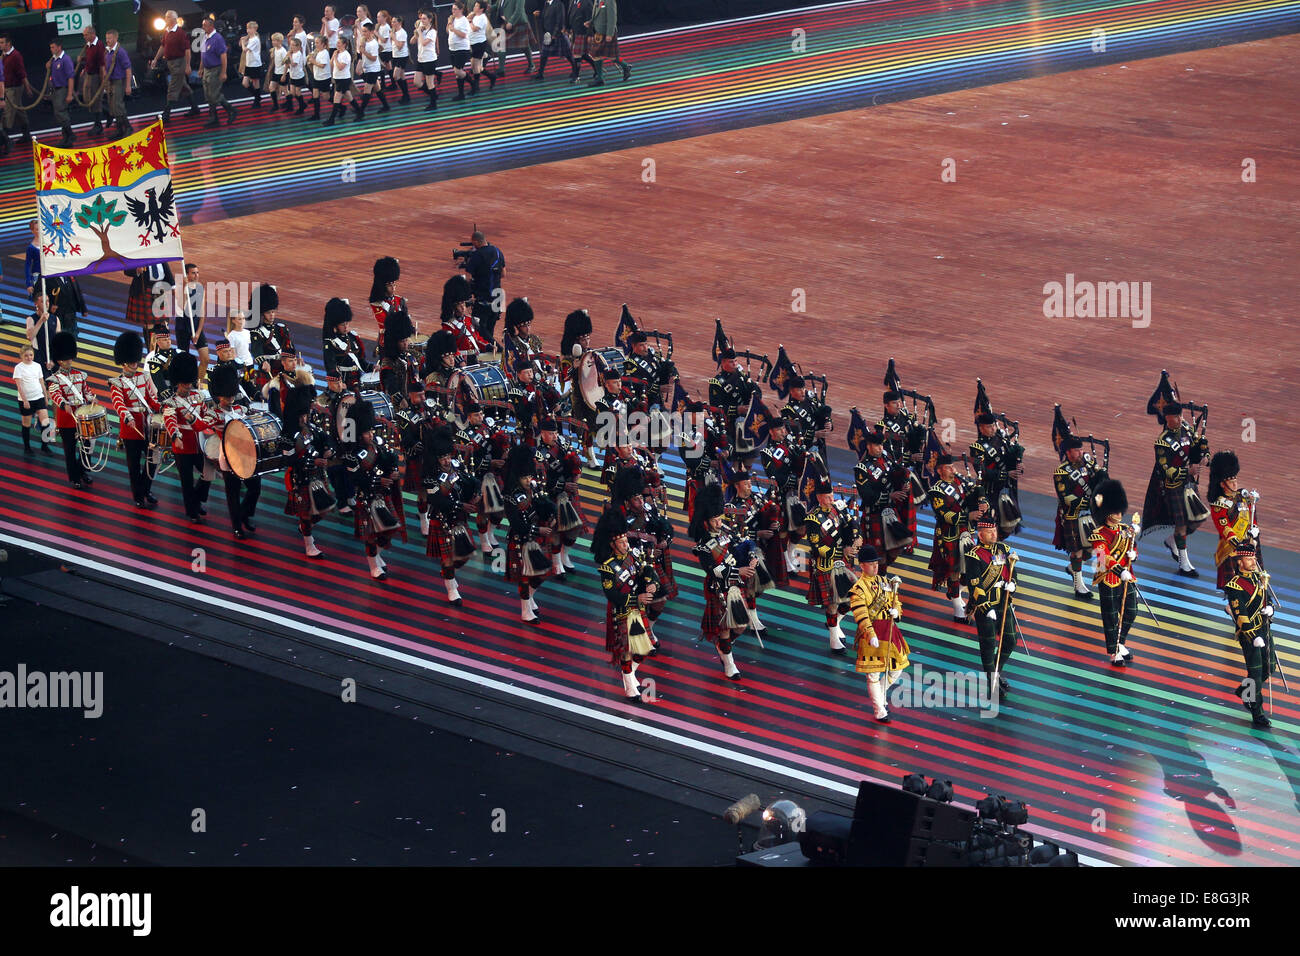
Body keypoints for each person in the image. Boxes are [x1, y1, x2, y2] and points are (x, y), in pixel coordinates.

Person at [594, 506, 657, 699]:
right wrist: (636, 598)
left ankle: (628, 673)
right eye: (621, 542)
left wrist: (651, 582)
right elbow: (611, 594)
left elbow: (647, 570)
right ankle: (629, 686)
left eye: (625, 541)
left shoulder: (633, 556)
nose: (625, 545)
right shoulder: (607, 567)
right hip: (621, 611)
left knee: (648, 647)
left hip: (637, 610)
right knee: (627, 650)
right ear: (612, 544)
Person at [689, 484, 750, 679]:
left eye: (719, 517)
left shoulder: (727, 533)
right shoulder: (704, 547)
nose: (718, 522)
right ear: (706, 522)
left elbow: (739, 550)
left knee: (741, 625)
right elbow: (714, 570)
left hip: (735, 586)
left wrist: (750, 557)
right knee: (724, 628)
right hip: (718, 589)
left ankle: (723, 647)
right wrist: (739, 571)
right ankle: (729, 664)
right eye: (715, 519)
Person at [1143, 401, 1210, 577]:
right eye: (1176, 416)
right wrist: (1188, 470)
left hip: (1189, 484)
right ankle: (1184, 563)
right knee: (1181, 525)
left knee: (1198, 518)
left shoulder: (1187, 430)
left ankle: (1172, 540)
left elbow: (1200, 447)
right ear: (1167, 418)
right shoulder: (1162, 442)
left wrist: (1204, 458)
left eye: (1181, 415)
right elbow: (1167, 471)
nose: (1180, 419)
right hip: (1174, 488)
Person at [343, 399, 406, 580]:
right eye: (366, 432)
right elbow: (357, 479)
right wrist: (380, 480)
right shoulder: (352, 455)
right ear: (358, 434)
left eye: (371, 430)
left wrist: (393, 471)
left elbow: (390, 458)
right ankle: (373, 566)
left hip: (381, 495)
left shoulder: (375, 445)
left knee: (391, 528)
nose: (370, 434)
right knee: (372, 536)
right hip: (367, 497)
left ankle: (376, 554)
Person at [848, 545, 908, 724]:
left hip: (889, 629)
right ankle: (879, 709)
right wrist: (869, 633)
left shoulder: (885, 582)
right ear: (862, 566)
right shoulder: (858, 589)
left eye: (876, 563)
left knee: (897, 668)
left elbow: (896, 602)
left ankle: (881, 695)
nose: (875, 567)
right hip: (872, 632)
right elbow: (861, 614)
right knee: (873, 674)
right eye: (871, 564)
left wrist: (896, 612)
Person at [961, 518, 1018, 700]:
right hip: (985, 607)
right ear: (980, 535)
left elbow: (1012, 571)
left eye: (994, 530)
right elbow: (974, 585)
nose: (994, 534)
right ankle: (991, 682)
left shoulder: (1004, 550)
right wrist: (986, 608)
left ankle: (996, 672)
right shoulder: (974, 555)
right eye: (990, 532)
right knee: (988, 645)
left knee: (1010, 641)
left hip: (1004, 602)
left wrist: (1013, 585)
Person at [804, 478, 861, 653]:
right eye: (828, 497)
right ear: (820, 498)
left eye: (832, 495)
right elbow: (817, 547)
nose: (832, 499)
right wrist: (841, 551)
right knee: (833, 604)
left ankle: (833, 624)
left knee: (853, 597)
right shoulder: (813, 519)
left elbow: (851, 525)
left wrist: (855, 541)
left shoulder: (838, 508)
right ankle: (833, 639)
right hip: (825, 564)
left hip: (843, 562)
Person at [1223, 543, 1276, 729]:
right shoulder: (1234, 586)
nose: (1253, 561)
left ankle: (1245, 691)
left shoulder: (1258, 577)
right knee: (1255, 672)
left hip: (1264, 629)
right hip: (1250, 635)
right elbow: (1240, 614)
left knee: (1269, 668)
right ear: (1239, 562)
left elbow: (1266, 598)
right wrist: (1253, 636)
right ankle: (1257, 711)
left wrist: (1270, 609)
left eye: (1253, 558)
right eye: (1248, 558)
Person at [502, 442, 557, 621]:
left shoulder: (533, 487)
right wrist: (538, 529)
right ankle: (525, 610)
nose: (528, 480)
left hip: (536, 539)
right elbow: (516, 523)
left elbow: (543, 504)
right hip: (521, 539)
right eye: (524, 477)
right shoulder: (511, 496)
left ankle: (530, 598)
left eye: (529, 476)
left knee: (542, 573)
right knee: (525, 578)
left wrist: (553, 514)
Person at [424, 425, 477, 604]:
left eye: (448, 456)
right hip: (442, 520)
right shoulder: (431, 477)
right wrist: (461, 505)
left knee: (465, 555)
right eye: (442, 458)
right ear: (436, 458)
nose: (447, 461)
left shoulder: (456, 466)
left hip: (459, 519)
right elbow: (437, 501)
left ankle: (448, 575)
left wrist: (476, 492)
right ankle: (451, 589)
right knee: (448, 560)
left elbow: (470, 481)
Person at [1089, 478, 1139, 668]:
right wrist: (1120, 571)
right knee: (1110, 617)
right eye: (1115, 510)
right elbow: (1104, 559)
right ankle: (1113, 651)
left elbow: (1133, 548)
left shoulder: (1126, 530)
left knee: (1131, 612)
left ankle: (1121, 641)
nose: (1119, 513)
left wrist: (1134, 555)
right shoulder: (1098, 534)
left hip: (1127, 575)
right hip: (1109, 578)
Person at [109, 332, 161, 508]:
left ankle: (145, 489)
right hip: (130, 429)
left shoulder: (144, 377)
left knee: (152, 460)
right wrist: (127, 417)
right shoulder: (117, 382)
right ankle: (138, 495)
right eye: (131, 361)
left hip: (147, 425)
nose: (134, 363)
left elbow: (152, 399)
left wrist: (160, 407)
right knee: (133, 466)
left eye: (135, 360)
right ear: (124, 362)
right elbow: (118, 403)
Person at [162, 352, 216, 522]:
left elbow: (207, 415)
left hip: (199, 443)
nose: (187, 386)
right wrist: (175, 436)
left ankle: (197, 500)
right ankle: (192, 511)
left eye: (188, 383)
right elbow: (169, 420)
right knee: (186, 481)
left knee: (208, 473)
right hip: (182, 445)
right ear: (178, 383)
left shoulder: (198, 396)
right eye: (184, 384)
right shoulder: (171, 401)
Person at [282, 384, 334, 558]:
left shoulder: (311, 427)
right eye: (303, 414)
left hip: (317, 476)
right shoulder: (288, 435)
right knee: (306, 513)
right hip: (300, 478)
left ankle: (305, 527)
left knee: (325, 508)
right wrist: (313, 460)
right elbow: (289, 459)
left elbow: (325, 439)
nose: (306, 417)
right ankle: (309, 545)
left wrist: (328, 449)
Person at [1052, 435, 1104, 600]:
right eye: (1077, 450)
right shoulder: (1061, 472)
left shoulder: (1089, 464)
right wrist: (1091, 501)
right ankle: (1079, 585)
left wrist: (1102, 477)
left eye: (1081, 449)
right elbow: (1067, 498)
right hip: (1072, 515)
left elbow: (1099, 482)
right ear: (1068, 452)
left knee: (1097, 546)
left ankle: (1083, 570)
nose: (1081, 452)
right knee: (1077, 551)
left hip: (1091, 514)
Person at [46, 332, 93, 489]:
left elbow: (86, 390)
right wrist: (63, 403)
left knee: (86, 446)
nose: (69, 361)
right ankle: (74, 477)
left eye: (70, 358)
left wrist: (92, 397)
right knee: (70, 450)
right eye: (66, 359)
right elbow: (55, 394)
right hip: (66, 419)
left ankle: (83, 470)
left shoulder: (79, 375)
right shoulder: (55, 379)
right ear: (59, 360)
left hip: (82, 417)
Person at [927, 453, 970, 621]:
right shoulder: (936, 490)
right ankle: (957, 607)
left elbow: (971, 499)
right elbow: (945, 515)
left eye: (953, 466)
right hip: (948, 534)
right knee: (954, 569)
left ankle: (956, 593)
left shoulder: (960, 482)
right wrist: (969, 516)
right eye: (948, 467)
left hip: (965, 532)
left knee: (968, 568)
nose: (953, 470)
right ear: (939, 471)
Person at [1208, 450, 1257, 589]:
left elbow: (1249, 516)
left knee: (1252, 581)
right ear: (1223, 484)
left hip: (1248, 543)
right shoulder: (1219, 504)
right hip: (1231, 549)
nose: (1235, 483)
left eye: (1235, 479)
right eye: (1231, 480)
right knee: (1233, 587)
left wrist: (1254, 530)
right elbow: (1224, 527)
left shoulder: (1242, 497)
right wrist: (1238, 543)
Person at [459, 231, 505, 342]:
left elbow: (468, 277)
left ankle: (495, 348)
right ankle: (491, 350)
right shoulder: (497, 251)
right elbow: (503, 274)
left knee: (478, 328)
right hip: (498, 297)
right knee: (490, 328)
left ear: (476, 241)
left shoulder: (476, 255)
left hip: (484, 299)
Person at [12, 345, 53, 456]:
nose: (29, 357)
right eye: (26, 355)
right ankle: (27, 448)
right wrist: (25, 401)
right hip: (26, 400)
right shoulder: (18, 368)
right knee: (26, 424)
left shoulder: (37, 366)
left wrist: (45, 396)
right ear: (21, 356)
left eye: (31, 355)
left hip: (38, 397)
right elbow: (19, 386)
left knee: (46, 422)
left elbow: (41, 382)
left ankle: (45, 446)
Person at [323, 297, 370, 391]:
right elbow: (330, 367)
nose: (346, 327)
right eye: (342, 324)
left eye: (347, 323)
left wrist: (372, 367)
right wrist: (339, 383)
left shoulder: (353, 337)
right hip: (342, 382)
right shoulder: (330, 342)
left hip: (357, 381)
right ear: (335, 325)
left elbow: (361, 362)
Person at [200, 17, 237, 127]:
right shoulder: (205, 38)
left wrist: (223, 72)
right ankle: (214, 117)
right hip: (207, 69)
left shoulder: (218, 38)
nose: (203, 27)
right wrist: (201, 68)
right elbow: (203, 53)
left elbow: (223, 56)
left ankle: (231, 110)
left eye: (205, 25)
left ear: (211, 26)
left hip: (215, 69)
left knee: (214, 93)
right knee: (208, 94)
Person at [0, 33, 33, 146]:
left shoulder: (15, 56)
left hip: (13, 88)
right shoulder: (3, 56)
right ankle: (26, 134)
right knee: (19, 111)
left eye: (2, 42)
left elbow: (22, 73)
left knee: (7, 113)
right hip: (8, 87)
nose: (0, 45)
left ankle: (6, 140)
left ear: (8, 43)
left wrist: (27, 88)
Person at [530, 0, 576, 81]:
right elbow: (546, 17)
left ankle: (575, 70)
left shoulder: (559, 4)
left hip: (557, 34)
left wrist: (554, 35)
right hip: (548, 33)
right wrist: (539, 15)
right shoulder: (547, 4)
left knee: (568, 54)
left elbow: (560, 21)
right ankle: (540, 73)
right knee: (544, 54)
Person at [586, 0, 630, 85]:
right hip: (598, 32)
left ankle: (626, 66)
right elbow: (596, 15)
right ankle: (600, 78)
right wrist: (590, 22)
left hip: (606, 33)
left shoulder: (609, 1)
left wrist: (610, 34)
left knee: (613, 57)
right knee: (595, 55)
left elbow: (612, 17)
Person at [76, 24, 108, 138]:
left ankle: (98, 125)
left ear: (92, 34)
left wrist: (102, 81)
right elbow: (91, 59)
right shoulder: (88, 45)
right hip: (89, 74)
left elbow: (101, 64)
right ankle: (107, 113)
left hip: (95, 76)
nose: (84, 37)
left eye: (85, 35)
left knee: (95, 100)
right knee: (88, 98)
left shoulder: (99, 46)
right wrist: (84, 66)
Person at [47, 39, 78, 146]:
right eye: (51, 47)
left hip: (62, 89)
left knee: (61, 112)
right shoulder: (54, 60)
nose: (51, 50)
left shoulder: (66, 60)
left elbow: (70, 77)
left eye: (53, 47)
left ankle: (70, 135)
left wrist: (69, 94)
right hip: (56, 89)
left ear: (59, 47)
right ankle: (66, 136)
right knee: (58, 113)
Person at [102, 29, 133, 136]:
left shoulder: (120, 52)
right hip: (110, 81)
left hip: (119, 81)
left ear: (116, 38)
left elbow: (128, 69)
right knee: (112, 106)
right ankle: (119, 129)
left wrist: (128, 86)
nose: (108, 41)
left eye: (110, 38)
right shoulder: (107, 51)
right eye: (107, 39)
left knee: (118, 105)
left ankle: (128, 127)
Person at [356, 20, 390, 116]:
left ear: (371, 32)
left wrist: (364, 51)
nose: (363, 33)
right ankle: (386, 106)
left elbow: (374, 58)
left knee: (367, 90)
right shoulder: (365, 42)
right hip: (368, 68)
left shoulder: (373, 44)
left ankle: (360, 112)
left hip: (373, 70)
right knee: (377, 89)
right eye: (362, 31)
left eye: (365, 31)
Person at [496, 0, 536, 75]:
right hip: (506, 22)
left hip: (518, 23)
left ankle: (531, 65)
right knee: (500, 43)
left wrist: (511, 22)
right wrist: (488, 7)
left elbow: (519, 10)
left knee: (525, 46)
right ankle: (501, 69)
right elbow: (498, 6)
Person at [325, 35, 357, 124]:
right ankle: (360, 112)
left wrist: (335, 58)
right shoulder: (337, 53)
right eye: (337, 43)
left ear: (344, 44)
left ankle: (331, 119)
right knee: (349, 97)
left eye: (339, 43)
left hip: (344, 79)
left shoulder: (346, 55)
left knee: (336, 99)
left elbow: (340, 67)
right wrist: (334, 56)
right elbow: (331, 65)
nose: (337, 45)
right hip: (338, 79)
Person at [24, 294, 59, 376]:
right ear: (36, 303)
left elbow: (59, 343)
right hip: (38, 358)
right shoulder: (31, 319)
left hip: (53, 359)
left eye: (47, 301)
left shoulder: (55, 319)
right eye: (43, 301)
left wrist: (53, 360)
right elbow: (30, 337)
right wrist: (41, 321)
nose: (46, 303)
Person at [413, 8, 440, 111]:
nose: (422, 21)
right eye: (421, 19)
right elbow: (412, 41)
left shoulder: (432, 31)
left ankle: (433, 104)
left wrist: (419, 32)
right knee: (417, 82)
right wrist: (417, 33)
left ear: (429, 20)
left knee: (430, 83)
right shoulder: (422, 29)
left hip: (429, 59)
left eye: (424, 19)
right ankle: (433, 95)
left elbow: (424, 43)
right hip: (421, 59)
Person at [447, 0, 475, 100]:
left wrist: (453, 28)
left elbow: (463, 35)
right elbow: (448, 31)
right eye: (452, 9)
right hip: (452, 48)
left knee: (458, 71)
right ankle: (461, 94)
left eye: (455, 9)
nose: (453, 11)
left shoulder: (464, 20)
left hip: (461, 48)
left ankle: (473, 83)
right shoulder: (453, 19)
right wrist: (449, 23)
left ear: (461, 10)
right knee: (457, 73)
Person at [469, 1, 499, 91]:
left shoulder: (482, 18)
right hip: (473, 43)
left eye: (476, 6)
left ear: (481, 9)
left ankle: (476, 86)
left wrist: (469, 21)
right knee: (476, 66)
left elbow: (475, 29)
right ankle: (491, 77)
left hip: (479, 44)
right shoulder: (475, 16)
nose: (474, 7)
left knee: (475, 66)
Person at [565, 0, 595, 84]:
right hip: (575, 31)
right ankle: (596, 69)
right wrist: (567, 28)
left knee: (577, 54)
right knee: (583, 54)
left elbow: (590, 19)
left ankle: (576, 76)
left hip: (583, 32)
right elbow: (570, 15)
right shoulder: (572, 1)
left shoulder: (587, 2)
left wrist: (590, 34)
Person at [389, 14, 411, 102]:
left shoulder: (402, 32)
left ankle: (405, 94)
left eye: (394, 21)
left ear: (399, 22)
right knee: (402, 76)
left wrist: (393, 38)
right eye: (392, 21)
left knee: (395, 76)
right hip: (396, 56)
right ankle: (406, 96)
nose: (392, 23)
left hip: (402, 56)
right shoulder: (395, 32)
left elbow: (399, 46)